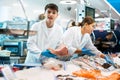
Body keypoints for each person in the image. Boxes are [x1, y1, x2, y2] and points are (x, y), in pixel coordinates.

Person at [47, 16, 115, 66]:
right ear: (86, 25)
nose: (93, 29)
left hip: (68, 60)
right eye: (92, 26)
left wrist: (104, 56)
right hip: (57, 58)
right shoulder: (72, 30)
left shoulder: (87, 36)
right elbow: (66, 47)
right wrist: (82, 51)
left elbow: (92, 49)